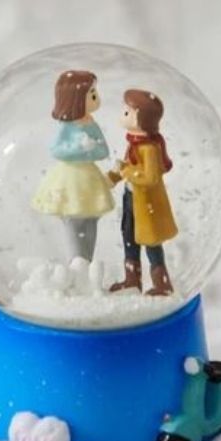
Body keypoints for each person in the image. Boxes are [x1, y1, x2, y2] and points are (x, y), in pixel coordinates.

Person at [31, 70, 113, 262]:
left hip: (89, 180)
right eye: (92, 94)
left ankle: (87, 260)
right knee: (73, 220)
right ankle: (76, 261)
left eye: (95, 93)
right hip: (69, 179)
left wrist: (91, 149)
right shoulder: (67, 126)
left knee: (91, 219)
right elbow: (57, 150)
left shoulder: (91, 123)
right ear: (76, 99)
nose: (96, 98)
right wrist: (79, 148)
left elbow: (103, 151)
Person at [107, 89, 177, 295]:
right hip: (131, 198)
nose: (122, 115)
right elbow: (128, 166)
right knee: (128, 236)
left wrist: (127, 171)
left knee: (151, 242)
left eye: (127, 112)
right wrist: (112, 177)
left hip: (146, 204)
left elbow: (150, 177)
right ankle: (132, 280)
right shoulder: (133, 143)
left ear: (142, 119)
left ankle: (162, 284)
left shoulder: (149, 148)